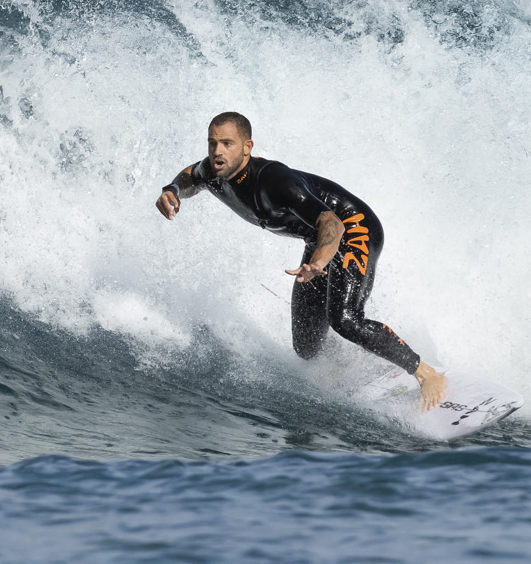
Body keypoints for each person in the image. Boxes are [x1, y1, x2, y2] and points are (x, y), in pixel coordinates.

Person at [155, 110, 449, 411]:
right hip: (318, 241)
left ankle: (427, 375)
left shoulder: (274, 182)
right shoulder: (214, 170)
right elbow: (191, 176)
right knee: (306, 346)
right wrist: (173, 190)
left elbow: (331, 222)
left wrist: (319, 262)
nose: (218, 151)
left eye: (227, 143)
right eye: (212, 143)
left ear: (247, 147)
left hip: (353, 228)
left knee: (345, 319)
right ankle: (353, 359)